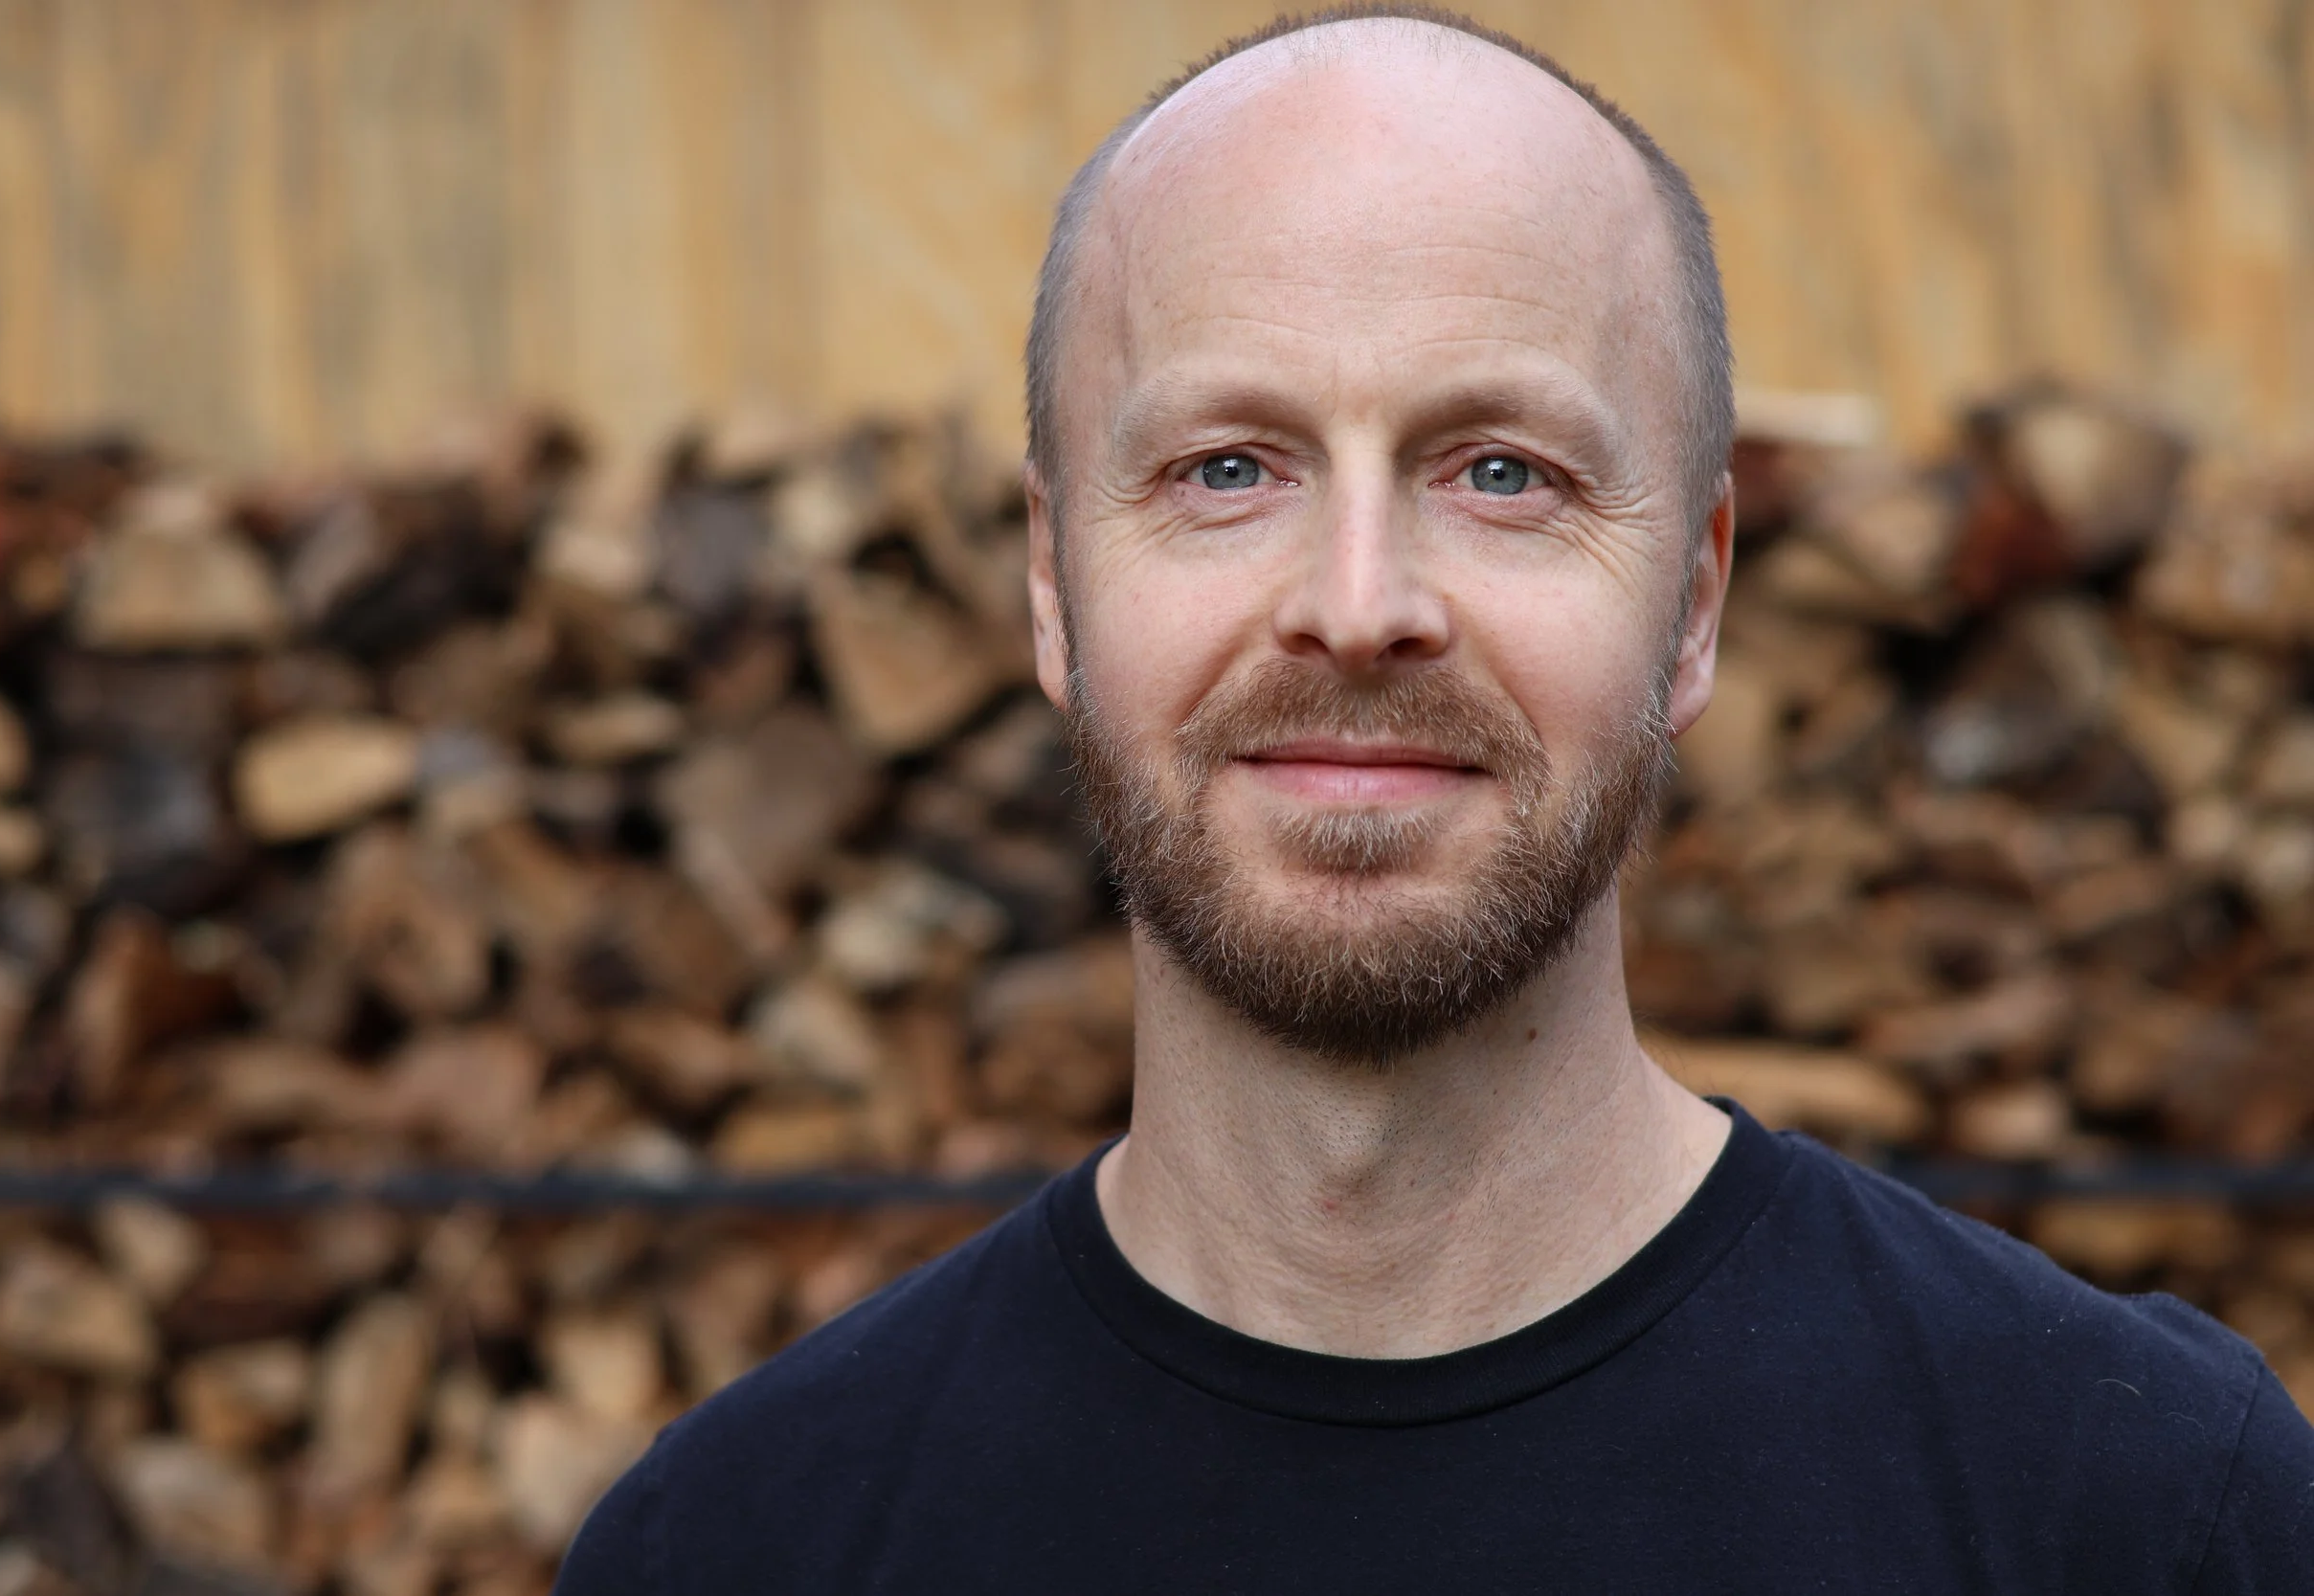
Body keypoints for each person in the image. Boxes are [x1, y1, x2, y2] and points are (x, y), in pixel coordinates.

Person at [557, 8, 2314, 1589]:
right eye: (1227, 466)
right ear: (1047, 585)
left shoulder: (2144, 1511)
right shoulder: (740, 1544)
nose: (1359, 597)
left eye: (1501, 471)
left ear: (1696, 599)